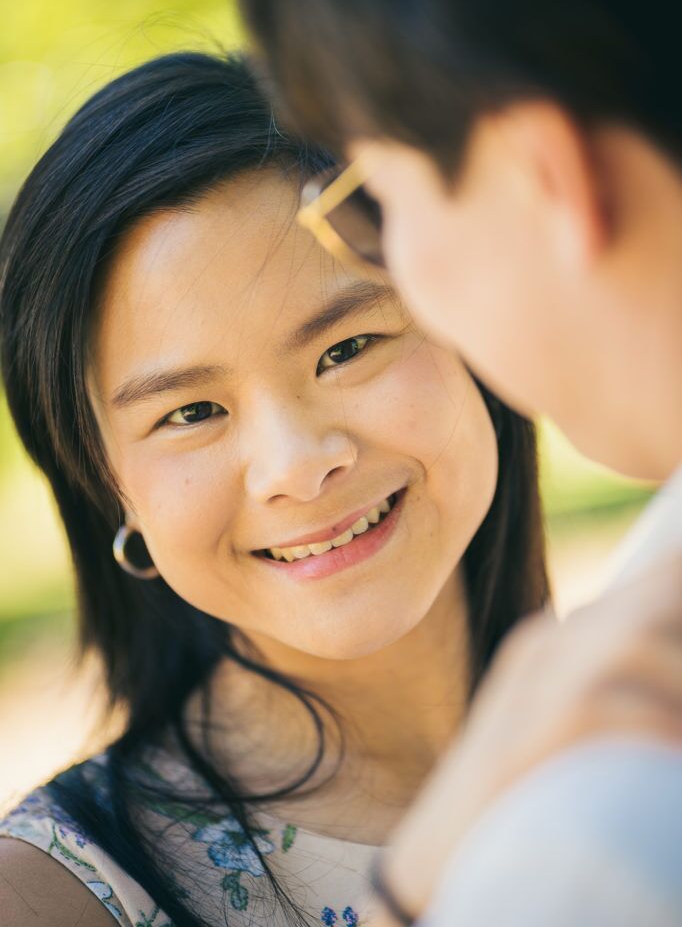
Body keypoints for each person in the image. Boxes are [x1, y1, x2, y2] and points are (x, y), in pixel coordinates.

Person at [0, 51, 549, 926]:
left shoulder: (644, 711)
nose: (297, 463)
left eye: (347, 349)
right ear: (108, 485)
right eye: (191, 412)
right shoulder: (53, 898)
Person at [235, 0, 682, 924]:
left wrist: (414, 885)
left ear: (544, 172)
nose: (294, 467)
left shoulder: (594, 821)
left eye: (380, 201)